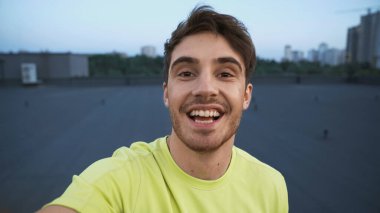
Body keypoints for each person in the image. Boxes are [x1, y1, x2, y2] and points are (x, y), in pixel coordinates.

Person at [38, 5, 288, 212]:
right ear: (167, 93)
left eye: (225, 73)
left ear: (246, 96)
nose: (205, 88)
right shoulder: (119, 180)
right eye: (187, 72)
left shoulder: (271, 186)